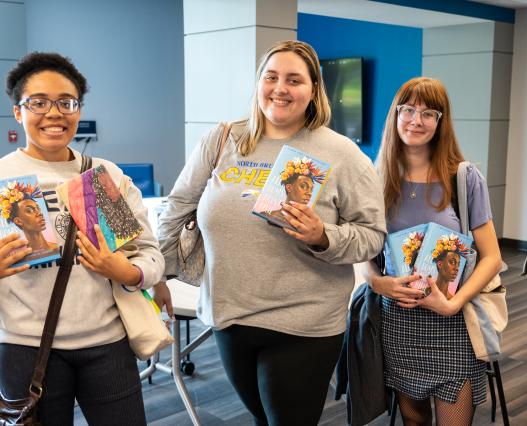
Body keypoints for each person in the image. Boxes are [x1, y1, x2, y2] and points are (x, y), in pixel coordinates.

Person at [155, 40, 386, 425]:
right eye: (271, 77)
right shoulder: (224, 139)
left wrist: (322, 236)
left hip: (303, 322)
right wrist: (159, 273)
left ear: (313, 90)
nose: (280, 88)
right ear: (259, 82)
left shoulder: (341, 153)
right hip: (230, 316)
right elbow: (176, 207)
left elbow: (371, 235)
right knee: (263, 419)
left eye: (294, 80)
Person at [0, 52, 164, 426]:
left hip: (107, 345)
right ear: (18, 112)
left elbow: (150, 258)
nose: (54, 113)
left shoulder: (101, 176)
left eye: (66, 102)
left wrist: (125, 271)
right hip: (25, 350)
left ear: (78, 109)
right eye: (38, 103)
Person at [362, 77, 502, 425]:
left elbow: (493, 257)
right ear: (395, 115)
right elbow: (363, 251)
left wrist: (453, 303)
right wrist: (376, 282)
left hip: (454, 322)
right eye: (407, 110)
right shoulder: (376, 177)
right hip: (398, 321)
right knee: (414, 422)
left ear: (441, 122)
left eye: (428, 113)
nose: (416, 120)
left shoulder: (464, 177)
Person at [0, 181, 59, 259]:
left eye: (38, 208)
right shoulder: (19, 258)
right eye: (29, 210)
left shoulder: (56, 249)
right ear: (18, 221)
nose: (39, 213)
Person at [260, 156, 325, 227]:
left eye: (311, 189)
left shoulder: (308, 225)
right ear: (289, 187)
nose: (309, 193)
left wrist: (321, 236)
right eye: (303, 186)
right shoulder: (265, 214)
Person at [432, 235, 465, 300]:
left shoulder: (453, 299)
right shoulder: (422, 292)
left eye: (458, 264)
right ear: (440, 264)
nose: (457, 268)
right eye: (452, 262)